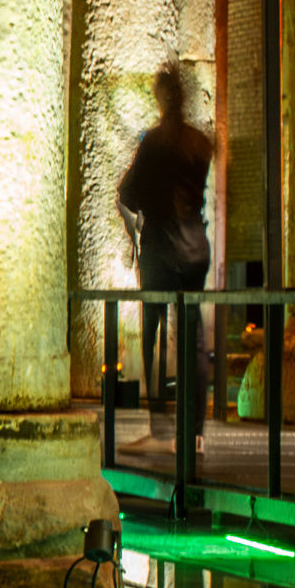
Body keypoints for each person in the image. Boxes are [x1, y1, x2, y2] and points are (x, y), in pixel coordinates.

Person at [117, 66, 215, 415]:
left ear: (161, 98)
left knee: (151, 327)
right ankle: (196, 423)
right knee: (194, 335)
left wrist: (147, 205)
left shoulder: (153, 143)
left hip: (160, 243)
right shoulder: (201, 143)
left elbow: (127, 192)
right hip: (194, 244)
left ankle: (157, 414)